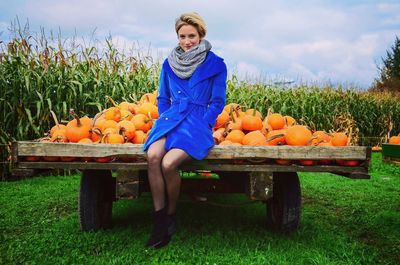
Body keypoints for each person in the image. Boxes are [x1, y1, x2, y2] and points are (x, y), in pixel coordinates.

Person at [142, 12, 227, 249]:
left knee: (169, 164)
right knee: (153, 157)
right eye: (182, 36)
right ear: (177, 37)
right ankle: (159, 220)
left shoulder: (215, 64)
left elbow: (218, 101)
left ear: (201, 36)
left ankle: (170, 215)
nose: (187, 41)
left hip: (196, 123)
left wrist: (206, 123)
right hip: (171, 119)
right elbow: (162, 97)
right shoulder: (169, 64)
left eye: (192, 36)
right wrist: (166, 115)